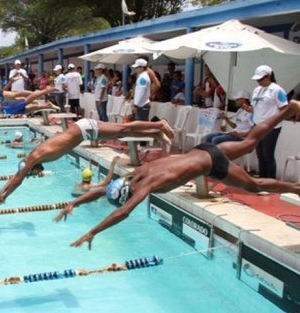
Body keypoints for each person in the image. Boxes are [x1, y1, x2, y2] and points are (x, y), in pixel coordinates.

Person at [54, 100, 300, 250]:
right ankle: (288, 109)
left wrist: (92, 231)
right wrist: (75, 202)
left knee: (254, 186)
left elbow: (123, 211)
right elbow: (102, 191)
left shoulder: (145, 185)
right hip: (202, 149)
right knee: (250, 141)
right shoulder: (136, 174)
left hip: (213, 164)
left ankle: (296, 188)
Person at [0, 118, 175, 207]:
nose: (34, 175)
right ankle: (155, 133)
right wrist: (3, 192)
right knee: (122, 133)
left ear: (29, 168)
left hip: (84, 128)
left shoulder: (34, 157)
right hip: (84, 131)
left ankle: (159, 124)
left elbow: (18, 179)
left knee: (123, 129)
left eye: (31, 173)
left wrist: (3, 195)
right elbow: (17, 176)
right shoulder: (35, 158)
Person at [250, 64, 289, 179]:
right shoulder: (257, 90)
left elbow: (284, 108)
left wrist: (273, 121)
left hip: (271, 127)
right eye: (257, 80)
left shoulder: (277, 90)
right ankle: (262, 179)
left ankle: (270, 181)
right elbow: (255, 107)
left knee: (268, 155)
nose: (259, 82)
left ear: (268, 76)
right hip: (258, 126)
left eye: (261, 79)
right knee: (260, 155)